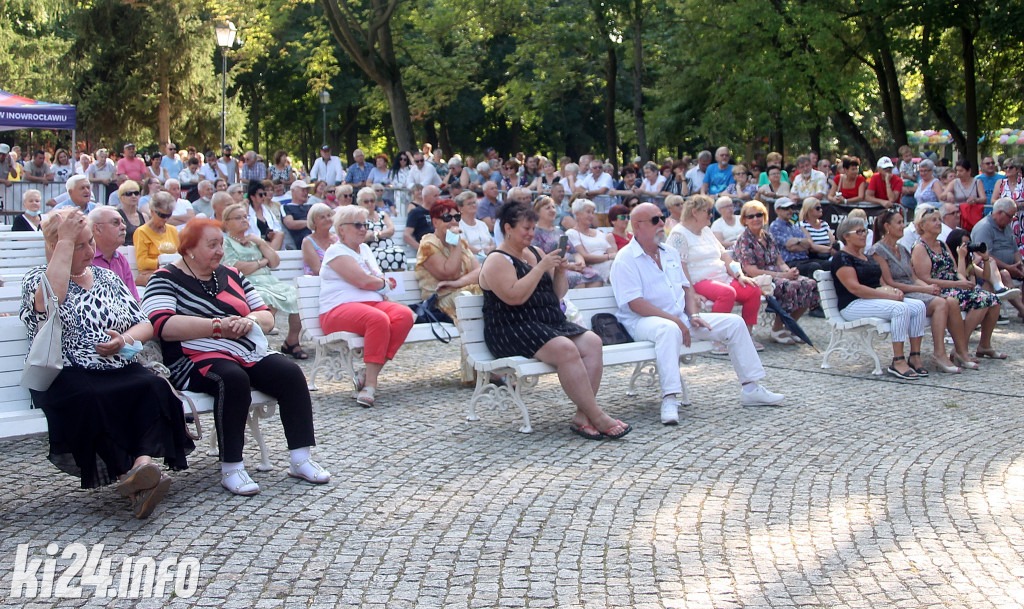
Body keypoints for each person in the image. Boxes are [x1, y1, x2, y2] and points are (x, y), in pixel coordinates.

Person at [21, 208, 192, 518]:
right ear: (55, 248)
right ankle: (134, 474)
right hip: (65, 372)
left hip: (115, 365)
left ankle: (141, 468)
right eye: (79, 245)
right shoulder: (37, 279)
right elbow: (51, 303)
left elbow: (144, 324)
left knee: (152, 386)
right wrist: (64, 239)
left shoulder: (107, 276)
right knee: (90, 398)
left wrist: (123, 340)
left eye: (90, 242)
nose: (91, 251)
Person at [143, 219, 328, 495]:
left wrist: (248, 320)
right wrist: (217, 326)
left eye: (221, 243)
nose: (220, 250)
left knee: (289, 374)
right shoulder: (165, 277)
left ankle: (300, 458)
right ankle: (232, 467)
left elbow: (265, 315)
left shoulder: (231, 275)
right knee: (231, 379)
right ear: (189, 249)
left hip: (243, 350)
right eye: (213, 244)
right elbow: (162, 325)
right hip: (191, 356)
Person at [611, 202, 784, 425]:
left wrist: (692, 316)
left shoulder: (670, 253)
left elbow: (686, 290)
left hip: (678, 318)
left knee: (734, 323)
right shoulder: (625, 259)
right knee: (668, 329)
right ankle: (670, 398)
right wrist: (676, 320)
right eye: (655, 220)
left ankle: (751, 388)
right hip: (641, 322)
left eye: (662, 218)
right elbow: (635, 304)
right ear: (637, 226)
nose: (662, 223)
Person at [479, 201, 630, 440]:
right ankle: (598, 416)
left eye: (532, 228)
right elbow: (515, 297)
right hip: (511, 327)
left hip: (546, 322)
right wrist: (539, 268)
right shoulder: (497, 259)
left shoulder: (537, 253)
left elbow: (557, 294)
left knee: (592, 341)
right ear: (508, 228)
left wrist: (559, 271)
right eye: (525, 229)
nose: (531, 234)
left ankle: (582, 416)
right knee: (565, 348)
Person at [318, 205, 414, 407]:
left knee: (405, 315)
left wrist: (380, 282)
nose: (363, 229)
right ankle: (371, 384)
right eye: (358, 225)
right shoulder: (336, 251)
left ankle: (369, 372)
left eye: (365, 224)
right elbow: (364, 281)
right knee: (377, 320)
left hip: (371, 304)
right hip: (337, 309)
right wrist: (382, 284)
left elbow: (376, 277)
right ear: (341, 229)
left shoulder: (365, 249)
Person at [831, 216, 929, 380]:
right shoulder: (842, 258)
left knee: (919, 306)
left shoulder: (866, 257)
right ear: (846, 236)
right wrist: (888, 296)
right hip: (853, 304)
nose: (864, 235)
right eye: (859, 231)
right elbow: (855, 288)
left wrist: (893, 290)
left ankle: (915, 356)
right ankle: (898, 361)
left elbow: (881, 282)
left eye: (865, 231)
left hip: (872, 299)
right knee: (900, 309)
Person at [666, 195, 764, 353]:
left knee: (752, 289)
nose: (711, 215)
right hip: (698, 279)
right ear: (695, 212)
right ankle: (715, 337)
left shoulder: (705, 230)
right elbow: (679, 267)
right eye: (708, 211)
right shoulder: (679, 234)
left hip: (721, 277)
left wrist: (739, 276)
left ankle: (746, 335)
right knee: (727, 293)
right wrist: (691, 293)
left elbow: (725, 255)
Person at [871, 209, 965, 373]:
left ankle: (959, 351)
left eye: (903, 222)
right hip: (898, 292)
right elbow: (890, 282)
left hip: (913, 289)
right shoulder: (878, 250)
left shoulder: (902, 248)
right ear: (887, 226)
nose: (903, 226)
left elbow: (913, 277)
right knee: (941, 304)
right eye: (899, 223)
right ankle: (939, 354)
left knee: (949, 301)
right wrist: (924, 288)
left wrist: (929, 289)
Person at [911, 205, 1002, 364]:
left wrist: (962, 280)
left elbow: (954, 270)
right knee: (982, 300)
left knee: (994, 300)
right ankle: (961, 349)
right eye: (934, 220)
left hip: (955, 286)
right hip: (938, 290)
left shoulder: (942, 244)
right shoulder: (920, 247)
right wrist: (958, 285)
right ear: (922, 225)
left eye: (939, 219)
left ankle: (984, 345)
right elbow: (925, 279)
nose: (939, 223)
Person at [220, 203, 307, 359]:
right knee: (264, 300)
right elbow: (237, 268)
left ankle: (292, 341)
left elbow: (274, 262)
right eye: (238, 218)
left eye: (245, 217)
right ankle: (260, 344)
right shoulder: (226, 243)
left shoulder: (254, 240)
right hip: (246, 283)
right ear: (227, 223)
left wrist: (260, 243)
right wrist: (261, 262)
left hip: (269, 281)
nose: (244, 220)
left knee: (297, 296)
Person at [415, 199, 484, 382]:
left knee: (482, 297)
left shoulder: (460, 241)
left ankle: (488, 364)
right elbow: (449, 273)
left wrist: (458, 283)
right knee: (471, 298)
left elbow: (479, 272)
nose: (453, 222)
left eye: (456, 216)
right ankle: (477, 370)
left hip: (460, 292)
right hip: (439, 299)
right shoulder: (428, 244)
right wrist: (455, 246)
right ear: (435, 222)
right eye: (447, 217)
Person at [733, 200, 820, 345]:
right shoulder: (745, 240)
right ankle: (777, 329)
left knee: (809, 284)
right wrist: (783, 275)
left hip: (776, 274)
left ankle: (790, 326)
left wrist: (789, 270)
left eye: (759, 215)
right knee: (788, 286)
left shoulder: (768, 236)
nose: (755, 219)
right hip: (758, 278)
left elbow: (780, 261)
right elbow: (751, 270)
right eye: (751, 216)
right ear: (744, 220)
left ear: (764, 216)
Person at [948, 227, 1024, 320]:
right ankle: (998, 289)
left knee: (993, 295)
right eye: (965, 244)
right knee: (986, 298)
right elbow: (961, 280)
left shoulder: (968, 263)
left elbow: (986, 276)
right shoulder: (950, 261)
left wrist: (986, 259)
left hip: (968, 294)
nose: (967, 247)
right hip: (957, 296)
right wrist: (961, 257)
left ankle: (998, 287)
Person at [531, 196, 601, 288]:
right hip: (554, 270)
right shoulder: (535, 233)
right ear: (537, 212)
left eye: (553, 207)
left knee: (596, 275)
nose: (552, 210)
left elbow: (574, 252)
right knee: (576, 278)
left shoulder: (559, 231)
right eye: (548, 208)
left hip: (572, 266)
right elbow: (539, 258)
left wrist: (581, 263)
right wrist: (570, 266)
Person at [89, 206, 141, 301]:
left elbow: (133, 300)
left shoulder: (120, 259)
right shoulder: (84, 259)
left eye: (123, 222)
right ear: (97, 229)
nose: (124, 227)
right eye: (116, 223)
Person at [769, 197, 828, 277]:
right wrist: (801, 243)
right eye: (786, 208)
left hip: (804, 259)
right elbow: (789, 246)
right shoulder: (775, 226)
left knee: (828, 264)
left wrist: (798, 242)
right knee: (814, 267)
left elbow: (808, 244)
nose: (790, 210)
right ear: (777, 210)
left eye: (792, 207)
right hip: (788, 263)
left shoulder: (794, 226)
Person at [971, 197, 1024, 283]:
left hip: (1011, 271)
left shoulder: (1008, 227)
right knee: (1006, 276)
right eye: (1010, 216)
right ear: (1000, 213)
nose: (1012, 220)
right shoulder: (984, 228)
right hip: (993, 275)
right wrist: (1008, 268)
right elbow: (986, 256)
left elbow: (1015, 250)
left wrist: (1020, 265)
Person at [133, 192, 180, 286]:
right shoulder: (142, 232)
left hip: (173, 273)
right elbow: (142, 262)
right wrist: (163, 261)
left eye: (168, 215)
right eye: (162, 215)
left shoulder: (173, 230)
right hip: (152, 275)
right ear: (152, 211)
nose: (165, 219)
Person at [566, 199, 617, 282]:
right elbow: (584, 256)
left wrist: (613, 256)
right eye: (588, 212)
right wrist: (608, 257)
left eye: (593, 213)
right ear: (577, 214)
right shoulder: (571, 233)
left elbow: (612, 253)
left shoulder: (599, 233)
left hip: (610, 263)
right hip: (593, 267)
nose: (591, 215)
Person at [355, 186, 404, 271]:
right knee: (382, 255)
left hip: (389, 246)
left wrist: (376, 234)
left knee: (399, 253)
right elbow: (362, 237)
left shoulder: (382, 214)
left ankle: (398, 281)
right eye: (366, 201)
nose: (370, 203)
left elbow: (391, 230)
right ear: (360, 203)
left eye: (372, 201)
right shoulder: (358, 217)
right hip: (370, 249)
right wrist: (381, 233)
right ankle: (383, 281)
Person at [456, 191, 495, 263]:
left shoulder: (482, 224)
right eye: (469, 204)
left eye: (474, 203)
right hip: (470, 261)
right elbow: (463, 245)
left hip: (489, 259)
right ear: (460, 208)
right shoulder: (458, 225)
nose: (473, 205)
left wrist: (491, 248)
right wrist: (480, 251)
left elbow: (491, 242)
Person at [245, 180, 285, 250]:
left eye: (264, 194)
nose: (263, 197)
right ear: (252, 197)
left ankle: (270, 256)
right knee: (265, 243)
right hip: (255, 243)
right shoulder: (246, 212)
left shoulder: (267, 211)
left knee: (280, 234)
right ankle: (271, 256)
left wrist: (273, 233)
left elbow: (277, 227)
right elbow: (246, 232)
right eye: (260, 195)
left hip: (270, 242)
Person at [301, 203, 337, 276]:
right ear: (314, 223)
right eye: (322, 217)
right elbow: (318, 270)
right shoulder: (308, 242)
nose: (327, 219)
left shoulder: (338, 239)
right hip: (316, 282)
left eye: (329, 215)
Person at [282, 180, 315, 248]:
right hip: (302, 239)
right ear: (293, 191)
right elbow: (291, 224)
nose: (305, 193)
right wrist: (311, 222)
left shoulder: (311, 206)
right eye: (303, 190)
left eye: (307, 191)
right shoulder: (286, 207)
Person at [116, 180, 147, 245]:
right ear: (121, 198)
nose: (133, 196)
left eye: (136, 193)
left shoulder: (144, 216)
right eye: (129, 194)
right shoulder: (116, 216)